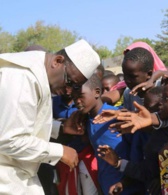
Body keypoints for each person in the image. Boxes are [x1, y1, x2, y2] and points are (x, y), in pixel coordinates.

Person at [0, 39, 100, 194]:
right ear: (58, 62)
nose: (69, 92)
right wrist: (59, 152)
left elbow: (22, 122)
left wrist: (60, 128)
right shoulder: (23, 77)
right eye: (69, 82)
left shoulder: (41, 76)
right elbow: (10, 139)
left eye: (75, 87)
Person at [98, 79, 168, 195]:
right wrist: (118, 163)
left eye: (166, 98)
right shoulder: (159, 136)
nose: (160, 103)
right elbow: (148, 171)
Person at [72, 74, 136, 195]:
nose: (77, 102)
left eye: (80, 96)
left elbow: (137, 155)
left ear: (97, 92)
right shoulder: (87, 121)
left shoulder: (117, 116)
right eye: (74, 98)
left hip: (127, 188)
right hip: (107, 186)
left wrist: (125, 182)